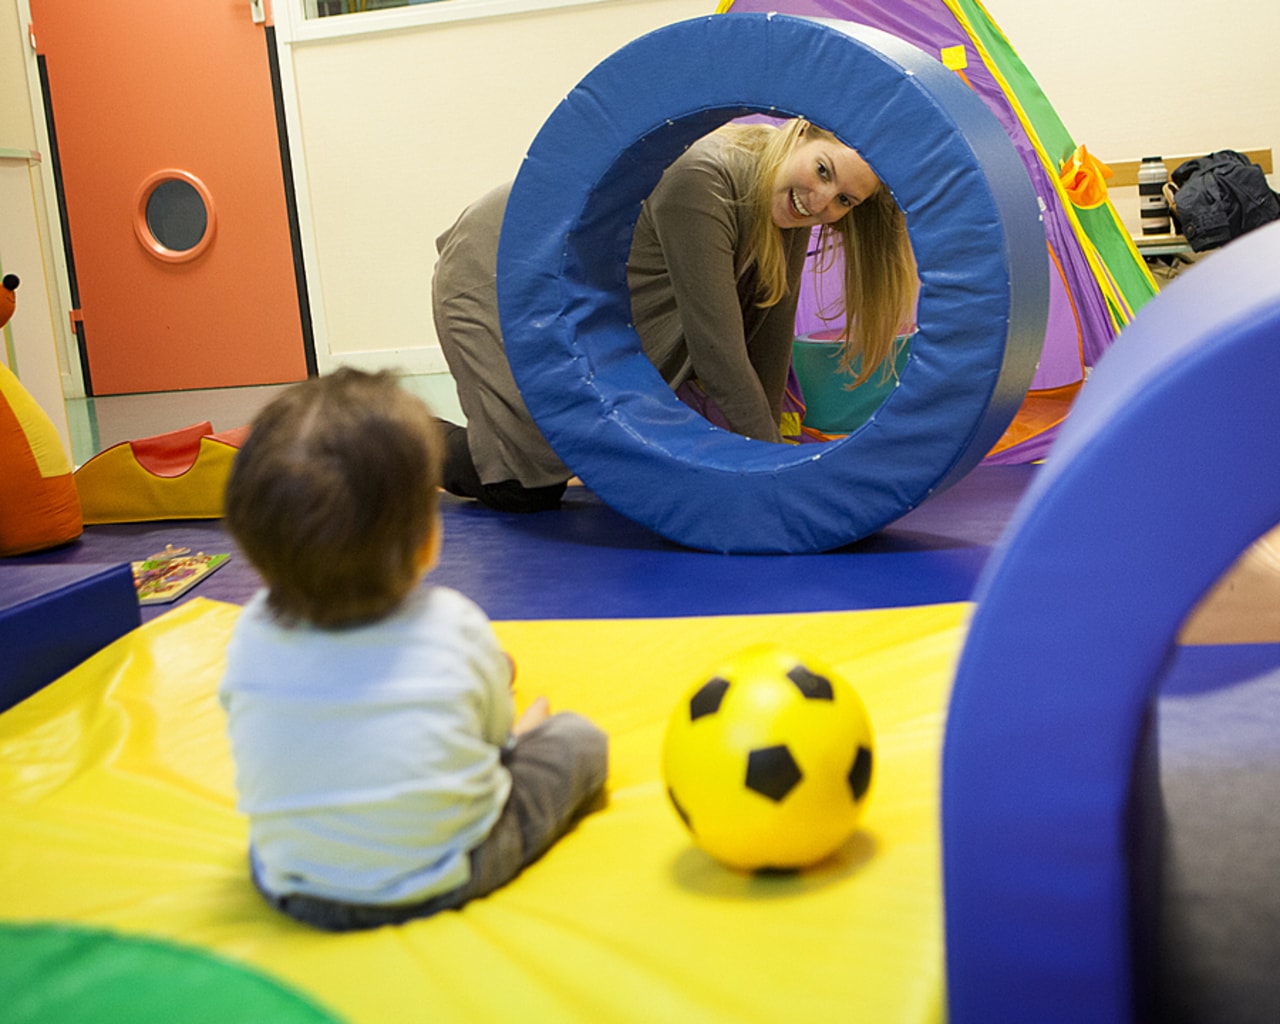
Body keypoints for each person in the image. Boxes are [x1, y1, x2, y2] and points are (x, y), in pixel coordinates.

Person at [219, 367, 608, 931]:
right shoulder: (452, 625)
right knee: (578, 741)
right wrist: (519, 735)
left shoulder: (248, 636)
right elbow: (493, 747)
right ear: (427, 542)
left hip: (296, 882)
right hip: (444, 870)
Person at [431, 117, 918, 513]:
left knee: (567, 455)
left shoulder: (790, 205)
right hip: (500, 267)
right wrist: (778, 481)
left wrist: (775, 461)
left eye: (844, 202)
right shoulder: (703, 176)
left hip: (565, 291)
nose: (821, 201)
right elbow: (718, 352)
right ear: (800, 132)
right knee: (521, 487)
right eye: (824, 171)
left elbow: (770, 339)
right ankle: (400, 433)